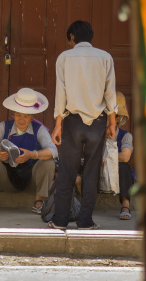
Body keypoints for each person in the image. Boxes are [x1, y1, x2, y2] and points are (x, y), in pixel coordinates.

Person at [49, 20, 117, 231]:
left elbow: (61, 93)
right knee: (91, 173)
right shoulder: (105, 57)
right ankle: (85, 221)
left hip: (72, 122)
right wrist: (112, 122)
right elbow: (110, 93)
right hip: (97, 123)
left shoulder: (64, 58)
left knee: (67, 172)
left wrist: (57, 123)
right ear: (91, 37)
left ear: (71, 38)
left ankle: (60, 220)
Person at [0, 88, 58, 217]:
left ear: (32, 116)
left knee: (48, 162)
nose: (21, 119)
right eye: (18, 115)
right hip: (7, 179)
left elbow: (53, 150)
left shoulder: (39, 130)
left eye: (26, 116)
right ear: (13, 113)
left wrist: (32, 154)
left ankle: (39, 201)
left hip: (32, 180)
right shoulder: (4, 127)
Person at [114, 91, 135, 220]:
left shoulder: (125, 136)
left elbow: (125, 156)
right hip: (99, 170)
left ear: (117, 119)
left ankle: (126, 204)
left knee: (124, 166)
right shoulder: (95, 135)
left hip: (117, 173)